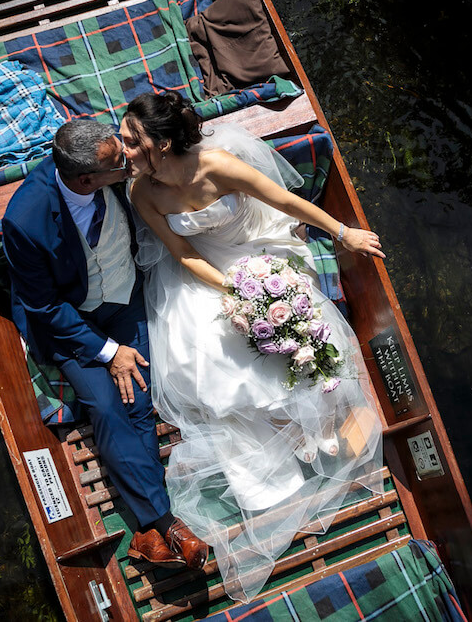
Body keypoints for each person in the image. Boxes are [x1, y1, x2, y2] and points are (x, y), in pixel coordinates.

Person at [122, 92, 386, 602]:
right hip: (206, 274)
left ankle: (316, 420)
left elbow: (285, 201)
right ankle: (289, 436)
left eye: (133, 141)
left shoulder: (219, 165)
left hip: (257, 251)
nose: (124, 148)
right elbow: (180, 252)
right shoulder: (143, 194)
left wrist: (342, 232)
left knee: (295, 335)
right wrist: (237, 293)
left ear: (164, 142)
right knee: (217, 360)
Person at [2, 119, 209, 570]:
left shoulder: (111, 171)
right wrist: (109, 352)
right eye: (120, 165)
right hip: (71, 325)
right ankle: (167, 522)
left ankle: (144, 536)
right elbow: (42, 307)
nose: (130, 165)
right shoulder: (25, 220)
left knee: (137, 404)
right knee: (108, 408)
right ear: (86, 180)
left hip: (124, 300)